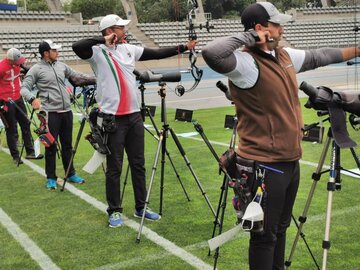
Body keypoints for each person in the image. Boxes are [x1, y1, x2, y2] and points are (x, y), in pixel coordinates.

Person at [201, 2, 360, 270]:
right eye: (276, 24)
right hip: (264, 165)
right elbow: (211, 53)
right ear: (261, 29)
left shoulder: (283, 56)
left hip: (288, 162)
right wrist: (251, 37)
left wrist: (356, 50)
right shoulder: (245, 63)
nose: (281, 28)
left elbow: (320, 55)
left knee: (281, 229)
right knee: (264, 236)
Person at [72, 14, 197, 228]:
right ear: (110, 31)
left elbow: (157, 53)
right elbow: (77, 46)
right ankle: (114, 210)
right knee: (115, 167)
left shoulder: (128, 49)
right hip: (112, 119)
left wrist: (184, 47)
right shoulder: (97, 52)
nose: (125, 30)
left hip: (134, 116)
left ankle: (141, 207)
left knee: (138, 165)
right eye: (120, 28)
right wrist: (104, 40)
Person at [20, 39, 96, 190]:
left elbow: (77, 76)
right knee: (51, 146)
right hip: (50, 114)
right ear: (46, 53)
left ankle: (71, 173)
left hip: (66, 112)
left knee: (67, 145)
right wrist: (32, 98)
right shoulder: (36, 69)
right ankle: (51, 177)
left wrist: (97, 78)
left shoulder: (61, 65)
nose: (58, 53)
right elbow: (24, 88)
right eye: (54, 50)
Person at [0, 48, 43, 164]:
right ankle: (15, 156)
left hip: (18, 98)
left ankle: (30, 152)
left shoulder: (18, 64)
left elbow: (24, 71)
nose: (20, 62)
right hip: (6, 101)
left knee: (26, 124)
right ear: (11, 60)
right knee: (11, 129)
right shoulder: (1, 67)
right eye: (18, 61)